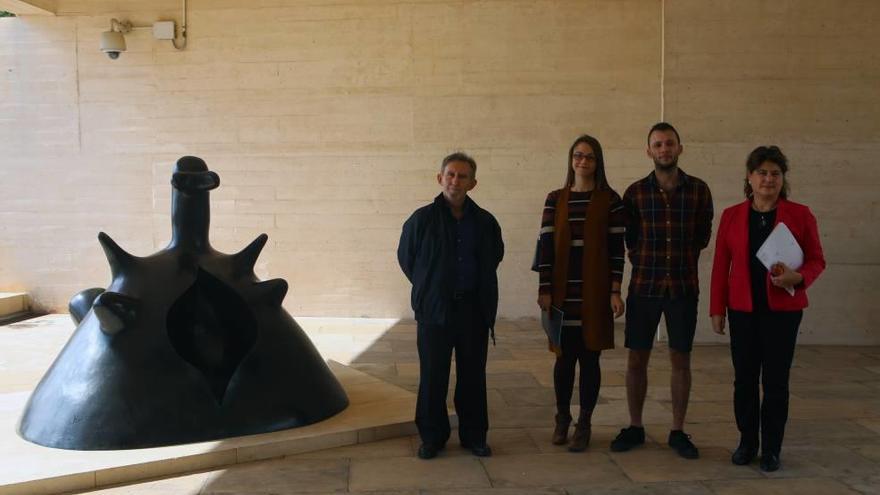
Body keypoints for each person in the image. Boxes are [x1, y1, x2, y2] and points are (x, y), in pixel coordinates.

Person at [710, 146, 825, 472]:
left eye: (775, 173)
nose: (768, 179)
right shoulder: (732, 215)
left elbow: (818, 260)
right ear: (749, 177)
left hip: (783, 313)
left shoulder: (801, 215)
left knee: (776, 382)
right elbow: (721, 265)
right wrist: (717, 308)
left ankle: (772, 448)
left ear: (783, 179)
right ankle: (747, 442)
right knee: (744, 380)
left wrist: (798, 276)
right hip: (743, 310)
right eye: (762, 172)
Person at [612, 122, 713, 459]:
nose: (664, 149)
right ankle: (636, 425)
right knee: (636, 357)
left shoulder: (699, 190)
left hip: (683, 287)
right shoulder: (635, 193)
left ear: (679, 148)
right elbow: (630, 239)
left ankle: (678, 430)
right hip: (645, 286)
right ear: (649, 151)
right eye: (658, 144)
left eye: (670, 143)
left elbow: (702, 236)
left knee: (680, 358)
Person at [397, 152, 504, 460]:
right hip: (434, 311)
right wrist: (429, 288)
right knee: (433, 375)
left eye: (463, 176)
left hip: (473, 309)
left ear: (473, 183)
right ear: (440, 178)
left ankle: (474, 436)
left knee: (472, 375)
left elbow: (494, 256)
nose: (455, 181)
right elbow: (408, 260)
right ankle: (432, 437)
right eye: (451, 174)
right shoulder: (420, 220)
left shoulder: (485, 222)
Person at [536, 135, 626, 452]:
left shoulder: (610, 200)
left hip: (595, 293)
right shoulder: (555, 198)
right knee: (563, 360)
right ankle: (562, 417)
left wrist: (615, 290)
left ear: (597, 161)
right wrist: (543, 288)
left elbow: (617, 252)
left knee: (590, 359)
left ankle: (584, 423)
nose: (582, 161)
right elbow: (545, 246)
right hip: (561, 294)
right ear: (571, 160)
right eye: (577, 155)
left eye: (589, 156)